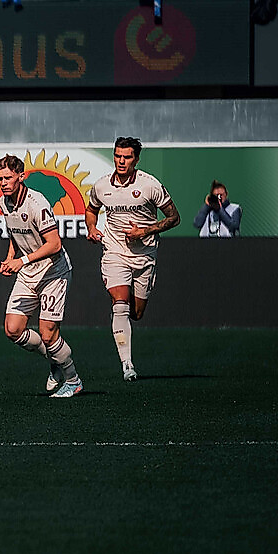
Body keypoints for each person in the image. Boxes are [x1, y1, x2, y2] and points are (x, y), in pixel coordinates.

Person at [83, 136, 180, 381]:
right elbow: (91, 209)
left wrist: (144, 231)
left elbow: (174, 218)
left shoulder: (150, 185)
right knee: (120, 303)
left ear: (136, 159)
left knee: (136, 313)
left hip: (144, 255)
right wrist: (92, 228)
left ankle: (124, 322)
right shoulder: (102, 185)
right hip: (114, 251)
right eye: (117, 156)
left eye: (127, 157)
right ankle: (127, 365)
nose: (121, 161)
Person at [0, 153, 84, 398]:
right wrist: (10, 258)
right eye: (0, 178)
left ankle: (73, 380)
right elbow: (14, 233)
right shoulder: (4, 202)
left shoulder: (37, 204)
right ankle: (54, 359)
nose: (3, 183)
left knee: (48, 332)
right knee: (13, 329)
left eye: (8, 178)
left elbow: (55, 244)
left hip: (54, 273)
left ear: (21, 177)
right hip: (28, 273)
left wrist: (21, 261)